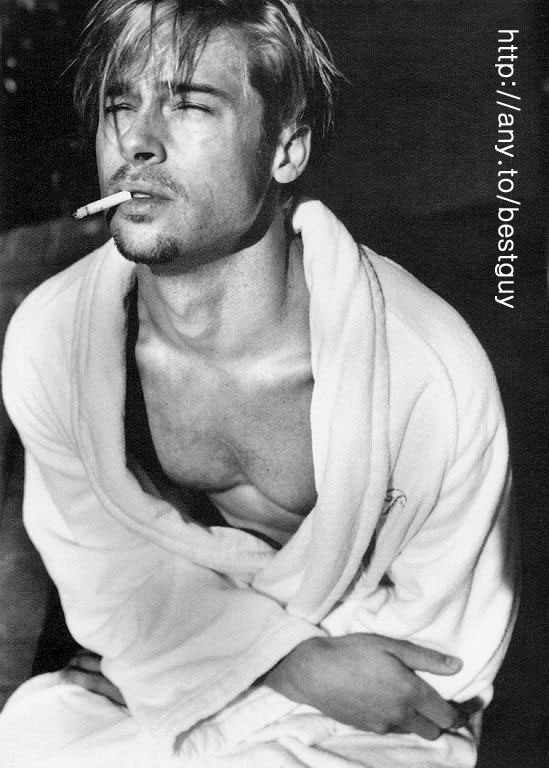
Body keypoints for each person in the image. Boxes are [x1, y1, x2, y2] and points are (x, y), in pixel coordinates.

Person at [0, 1, 517, 766]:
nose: (137, 141)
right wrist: (278, 667)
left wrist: (205, 682)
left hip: (354, 724)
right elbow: (105, 578)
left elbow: (432, 671)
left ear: (286, 148)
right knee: (33, 736)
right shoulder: (52, 337)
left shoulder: (427, 373)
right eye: (119, 104)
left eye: (190, 105)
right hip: (185, 676)